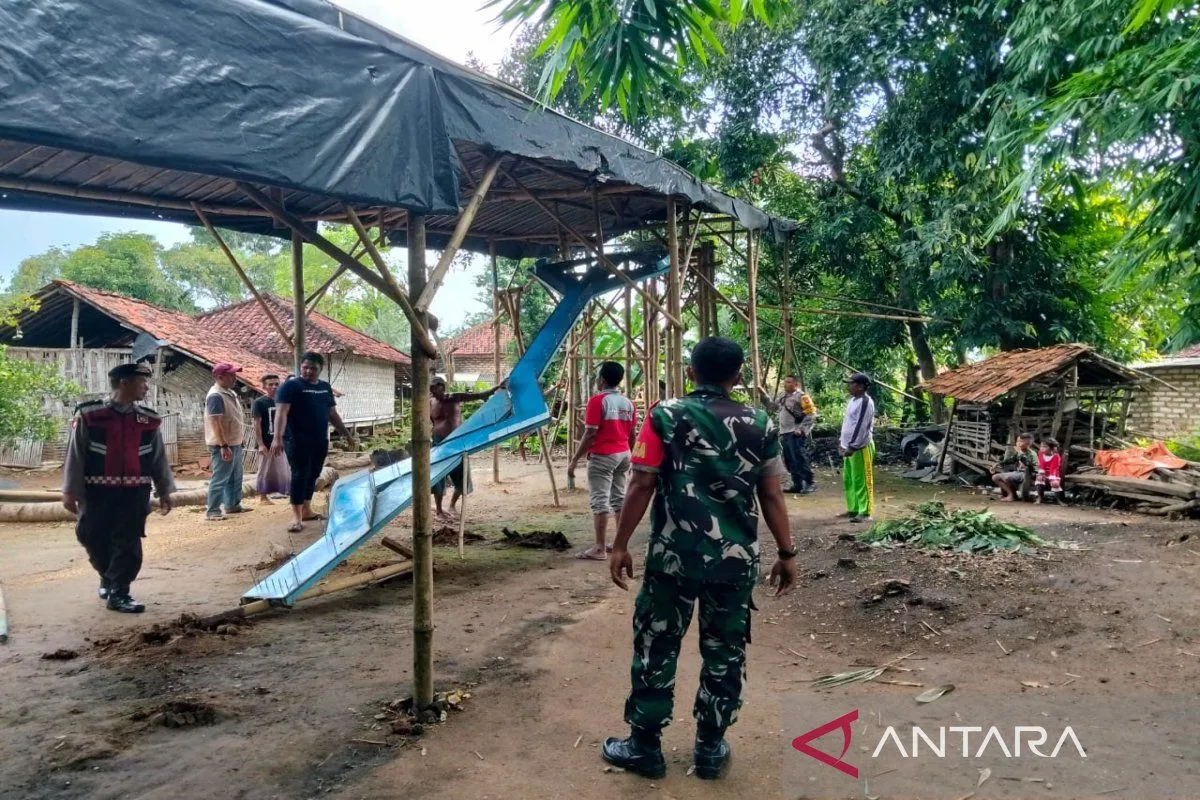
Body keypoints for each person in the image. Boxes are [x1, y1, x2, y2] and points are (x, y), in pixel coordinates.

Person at [603, 337, 797, 781]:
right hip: (734, 561)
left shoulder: (664, 415)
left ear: (691, 372)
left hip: (673, 558)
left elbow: (641, 483)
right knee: (725, 652)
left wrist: (620, 544)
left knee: (656, 645)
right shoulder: (762, 423)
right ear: (738, 377)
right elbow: (771, 493)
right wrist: (787, 553)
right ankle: (710, 748)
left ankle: (645, 747)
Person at [62, 363, 174, 613]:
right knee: (90, 535)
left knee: (128, 541)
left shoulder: (148, 419)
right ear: (125, 383)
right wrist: (70, 490)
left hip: (135, 492)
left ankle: (120, 592)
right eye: (142, 382)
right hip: (96, 492)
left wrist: (164, 490)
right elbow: (75, 454)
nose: (146, 387)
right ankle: (108, 577)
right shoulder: (90, 415)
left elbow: (158, 458)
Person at [271, 352, 354, 532]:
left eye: (313, 368)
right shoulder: (291, 386)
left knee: (313, 474)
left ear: (320, 369)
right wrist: (277, 438)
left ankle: (307, 509)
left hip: (319, 439)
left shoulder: (325, 387)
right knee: (299, 475)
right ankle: (296, 517)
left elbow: (332, 414)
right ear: (300, 367)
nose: (308, 371)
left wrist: (346, 434)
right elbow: (281, 413)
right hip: (296, 440)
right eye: (305, 367)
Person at [567, 361, 637, 560]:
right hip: (624, 454)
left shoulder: (597, 401)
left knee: (600, 501)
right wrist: (631, 456)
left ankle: (599, 548)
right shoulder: (628, 403)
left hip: (603, 456)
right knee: (619, 499)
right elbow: (632, 434)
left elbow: (590, 433)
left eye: (598, 376)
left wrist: (574, 460)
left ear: (602, 380)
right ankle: (619, 544)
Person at [430, 375, 503, 521]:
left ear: (441, 387)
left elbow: (479, 395)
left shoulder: (454, 398)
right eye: (430, 388)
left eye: (433, 387)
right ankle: (438, 511)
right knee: (438, 476)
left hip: (457, 442)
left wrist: (496, 387)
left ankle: (452, 505)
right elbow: (431, 422)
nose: (431, 390)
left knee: (462, 475)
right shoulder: (430, 402)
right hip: (439, 442)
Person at [204, 362, 248, 521]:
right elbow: (215, 422)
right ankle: (212, 511)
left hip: (233, 441)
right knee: (220, 478)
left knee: (236, 476)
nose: (235, 378)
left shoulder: (229, 392)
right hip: (222, 444)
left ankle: (232, 505)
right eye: (231, 375)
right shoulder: (216, 395)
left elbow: (234, 417)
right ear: (220, 377)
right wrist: (223, 445)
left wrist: (239, 437)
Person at [771, 375, 818, 494]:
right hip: (785, 432)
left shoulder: (802, 396)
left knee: (799, 458)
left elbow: (811, 414)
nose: (785, 384)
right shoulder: (783, 396)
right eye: (785, 382)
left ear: (796, 384)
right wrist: (763, 395)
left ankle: (809, 483)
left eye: (788, 382)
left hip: (795, 432)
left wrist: (801, 429)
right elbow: (773, 407)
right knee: (789, 459)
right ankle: (797, 484)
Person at [840, 373, 876, 523]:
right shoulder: (852, 401)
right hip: (848, 446)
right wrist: (842, 443)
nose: (848, 386)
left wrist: (853, 446)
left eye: (851, 384)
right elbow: (847, 423)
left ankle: (865, 511)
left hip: (860, 448)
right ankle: (853, 508)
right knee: (849, 479)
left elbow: (861, 426)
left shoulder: (866, 402)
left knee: (862, 479)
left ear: (861, 386)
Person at [252, 374, 290, 503]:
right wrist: (260, 444)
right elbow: (257, 424)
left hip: (282, 442)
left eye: (276, 384)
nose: (274, 387)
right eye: (270, 384)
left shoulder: (284, 401)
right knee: (264, 470)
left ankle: (286, 492)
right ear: (264, 387)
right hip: (266, 442)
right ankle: (263, 497)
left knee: (284, 469)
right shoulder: (259, 403)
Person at [991, 432, 1036, 502]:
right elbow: (1011, 460)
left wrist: (1021, 454)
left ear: (1028, 443)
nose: (1018, 443)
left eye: (1020, 441)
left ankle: (1011, 496)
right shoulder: (1019, 452)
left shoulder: (1032, 454)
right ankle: (1012, 495)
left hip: (1026, 474)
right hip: (1018, 473)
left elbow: (1029, 465)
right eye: (1017, 441)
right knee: (995, 477)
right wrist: (998, 463)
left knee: (1005, 478)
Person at [1034, 437, 1064, 504]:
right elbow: (1041, 465)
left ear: (1051, 448)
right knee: (1039, 479)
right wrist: (1041, 474)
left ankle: (1058, 499)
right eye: (1041, 446)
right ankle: (1040, 497)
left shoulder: (1056, 456)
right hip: (1044, 473)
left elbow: (1054, 468)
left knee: (1055, 483)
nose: (1042, 448)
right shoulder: (1040, 453)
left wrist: (1052, 477)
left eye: (1045, 446)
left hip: (1054, 474)